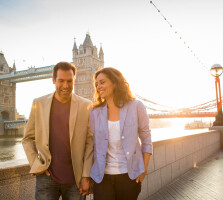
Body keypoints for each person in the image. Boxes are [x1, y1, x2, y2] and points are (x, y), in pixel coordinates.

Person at [22, 62, 93, 200]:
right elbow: (28, 139)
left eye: (69, 81)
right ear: (53, 80)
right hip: (46, 179)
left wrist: (86, 175)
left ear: (74, 80)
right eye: (61, 81)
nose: (65, 86)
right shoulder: (39, 103)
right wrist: (36, 164)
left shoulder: (86, 105)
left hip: (76, 180)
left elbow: (90, 142)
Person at [89, 67, 153, 200]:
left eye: (102, 82)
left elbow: (146, 140)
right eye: (97, 84)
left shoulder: (136, 106)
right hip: (102, 177)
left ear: (115, 82)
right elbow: (91, 145)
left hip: (129, 176)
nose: (98, 86)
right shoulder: (94, 112)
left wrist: (144, 169)